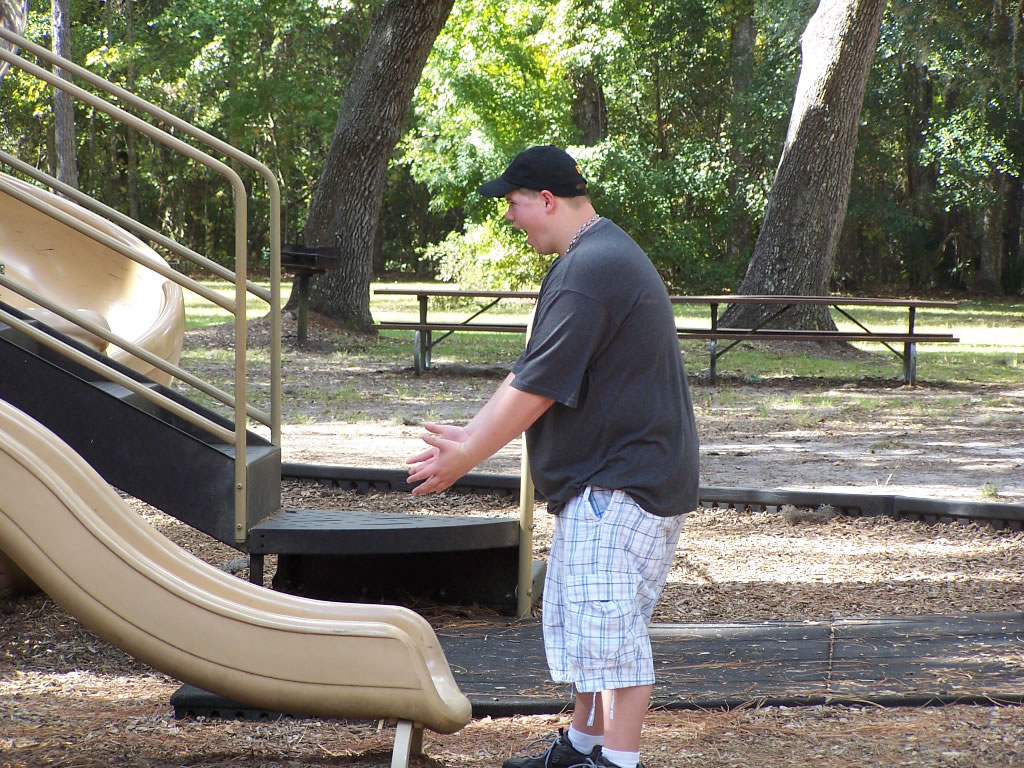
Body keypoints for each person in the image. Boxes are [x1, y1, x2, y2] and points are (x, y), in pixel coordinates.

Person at [406, 145, 699, 768]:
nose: (510, 216)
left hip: (620, 483)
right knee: (584, 622)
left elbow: (537, 388)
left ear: (545, 200)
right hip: (615, 479)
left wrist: (467, 456)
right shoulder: (593, 258)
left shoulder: (592, 269)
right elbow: (532, 369)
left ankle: (617, 761)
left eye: (513, 203)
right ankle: (585, 743)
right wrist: (471, 435)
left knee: (610, 635)